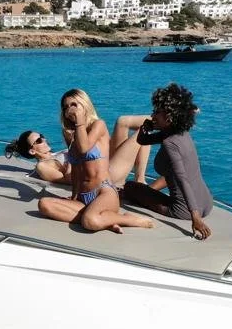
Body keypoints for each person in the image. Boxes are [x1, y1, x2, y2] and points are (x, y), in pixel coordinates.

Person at [37, 89, 154, 234]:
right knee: (44, 204)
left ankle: (125, 218)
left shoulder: (98, 125)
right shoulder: (69, 134)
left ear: (85, 104)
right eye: (66, 107)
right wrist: (74, 195)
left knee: (89, 221)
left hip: (103, 192)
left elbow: (84, 148)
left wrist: (80, 122)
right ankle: (106, 220)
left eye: (74, 105)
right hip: (82, 196)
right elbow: (76, 168)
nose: (70, 109)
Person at [120, 83, 214, 240]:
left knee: (130, 186)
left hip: (184, 210)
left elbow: (182, 180)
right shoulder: (179, 132)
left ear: (169, 117)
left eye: (157, 112)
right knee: (148, 187)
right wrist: (145, 127)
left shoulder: (169, 143)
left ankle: (148, 193)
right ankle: (149, 191)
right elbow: (143, 140)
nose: (153, 115)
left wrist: (195, 217)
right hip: (207, 203)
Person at [6, 115, 151, 186]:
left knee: (123, 121)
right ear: (32, 151)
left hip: (103, 161)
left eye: (42, 136)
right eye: (38, 141)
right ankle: (139, 180)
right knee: (143, 131)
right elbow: (69, 180)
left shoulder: (55, 154)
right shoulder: (42, 166)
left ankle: (140, 179)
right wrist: (73, 152)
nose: (44, 140)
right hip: (102, 175)